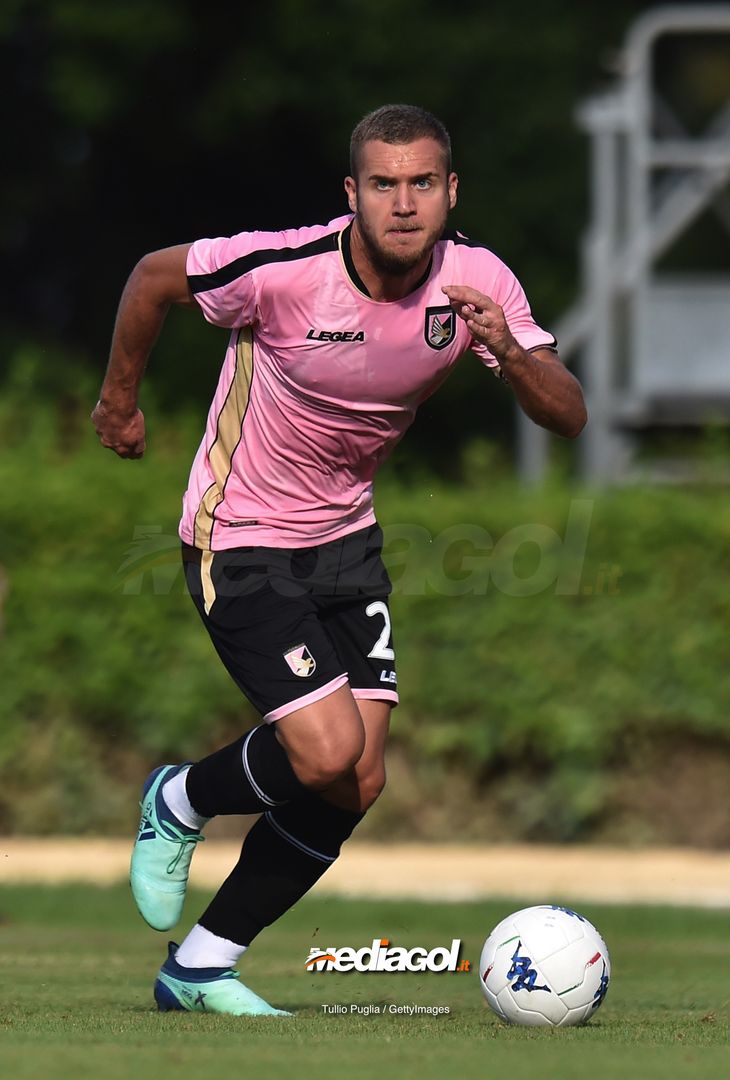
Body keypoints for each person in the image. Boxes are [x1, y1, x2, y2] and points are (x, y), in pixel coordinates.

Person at [91, 103, 587, 1017]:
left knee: (361, 777)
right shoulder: (284, 272)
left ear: (451, 190)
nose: (406, 204)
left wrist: (509, 352)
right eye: (386, 185)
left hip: (346, 540)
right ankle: (180, 800)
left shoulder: (477, 278)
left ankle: (199, 967)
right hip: (240, 533)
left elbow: (568, 413)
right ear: (352, 194)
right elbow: (152, 278)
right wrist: (120, 402)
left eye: (424, 183)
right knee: (326, 754)